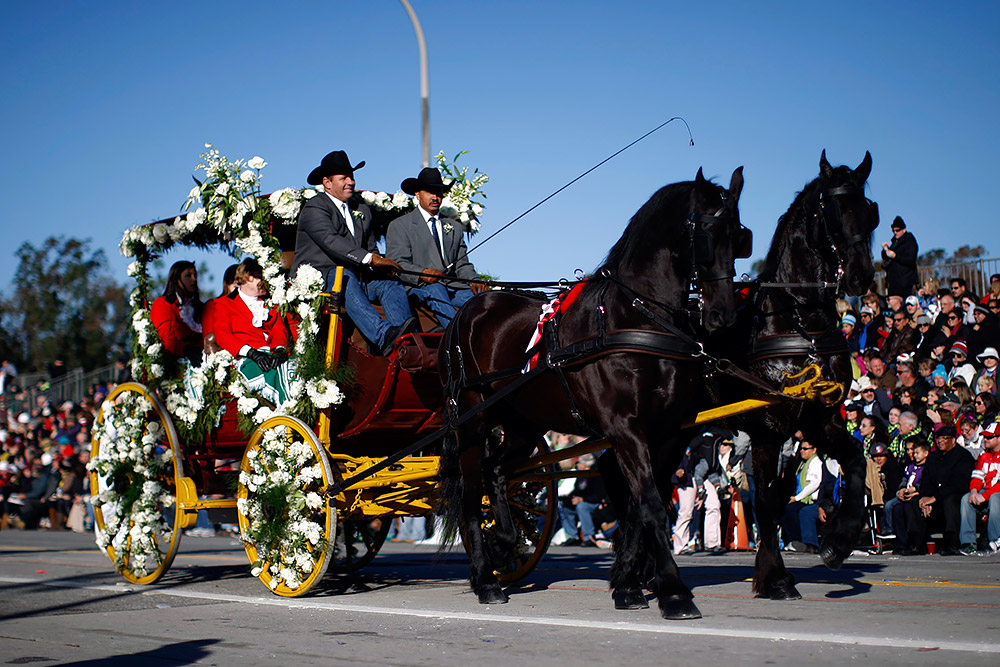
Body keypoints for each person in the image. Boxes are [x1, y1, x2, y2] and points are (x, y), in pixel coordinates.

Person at [291, 150, 416, 355]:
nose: (350, 182)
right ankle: (383, 335)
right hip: (323, 275)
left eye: (352, 177)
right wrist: (370, 259)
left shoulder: (362, 209)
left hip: (358, 277)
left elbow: (370, 248)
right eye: (344, 178)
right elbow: (331, 241)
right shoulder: (314, 208)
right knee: (344, 276)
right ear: (327, 182)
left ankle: (405, 341)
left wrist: (382, 267)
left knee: (389, 284)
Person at [386, 167, 488, 328]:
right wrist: (422, 274)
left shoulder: (454, 226)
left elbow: (462, 264)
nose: (435, 197)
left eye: (439, 192)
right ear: (417, 194)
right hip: (418, 287)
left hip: (453, 286)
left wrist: (474, 280)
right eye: (429, 192)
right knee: (436, 290)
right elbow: (397, 263)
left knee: (484, 300)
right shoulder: (400, 225)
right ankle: (458, 337)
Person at [213, 259, 295, 405]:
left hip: (269, 354)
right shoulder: (224, 304)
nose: (262, 281)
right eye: (258, 277)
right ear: (245, 279)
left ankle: (292, 410)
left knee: (292, 367)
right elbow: (223, 336)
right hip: (244, 357)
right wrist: (251, 353)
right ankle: (286, 409)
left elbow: (279, 329)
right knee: (281, 371)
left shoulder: (270, 302)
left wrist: (280, 350)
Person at [906, 424, 976, 555]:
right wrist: (925, 497)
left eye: (945, 438)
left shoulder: (963, 456)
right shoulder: (933, 457)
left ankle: (952, 543)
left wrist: (935, 497)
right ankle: (916, 544)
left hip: (953, 497)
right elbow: (926, 481)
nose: (940, 441)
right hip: (934, 498)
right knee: (916, 501)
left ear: (953, 440)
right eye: (938, 438)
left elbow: (959, 484)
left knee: (951, 500)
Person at [959, 421, 1000, 555]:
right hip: (986, 492)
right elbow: (977, 476)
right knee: (966, 499)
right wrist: (974, 491)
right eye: (985, 437)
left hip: (994, 494)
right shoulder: (984, 455)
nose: (985, 439)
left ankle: (995, 540)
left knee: (995, 498)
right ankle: (968, 542)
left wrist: (985, 495)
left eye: (989, 437)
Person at [150, 260, 203, 362]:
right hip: (176, 364)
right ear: (176, 279)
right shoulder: (163, 304)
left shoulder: (201, 307)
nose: (194, 279)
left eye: (195, 275)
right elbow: (168, 342)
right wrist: (188, 350)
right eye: (188, 276)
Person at [781, 438, 823, 553]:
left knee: (803, 511)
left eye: (805, 449)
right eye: (801, 448)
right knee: (786, 510)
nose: (802, 451)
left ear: (814, 450)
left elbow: (814, 483)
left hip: (813, 501)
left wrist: (796, 498)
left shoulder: (816, 462)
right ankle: (794, 540)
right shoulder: (803, 463)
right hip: (802, 498)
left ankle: (809, 543)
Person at [880, 216, 919, 297]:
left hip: (905, 282)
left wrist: (895, 256)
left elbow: (911, 259)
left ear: (903, 230)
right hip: (893, 282)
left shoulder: (909, 241)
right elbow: (886, 257)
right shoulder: (894, 242)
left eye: (897, 230)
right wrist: (885, 250)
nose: (895, 232)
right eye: (893, 230)